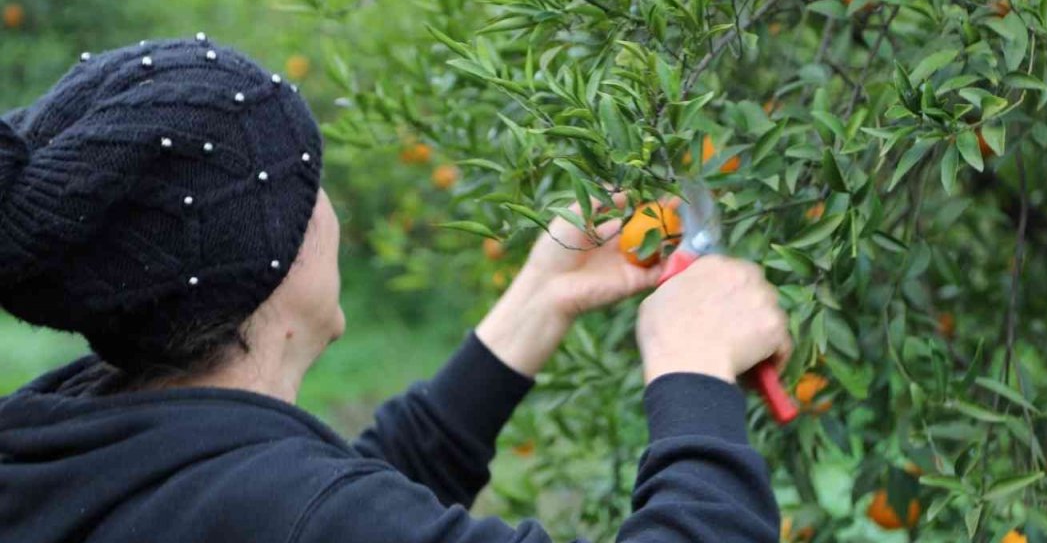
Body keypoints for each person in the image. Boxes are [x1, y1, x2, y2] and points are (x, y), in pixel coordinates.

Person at [0, 38, 793, 542]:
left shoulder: (64, 434)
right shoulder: (284, 511)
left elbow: (340, 490)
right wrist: (692, 373)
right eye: (312, 184)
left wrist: (535, 305)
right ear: (268, 253)